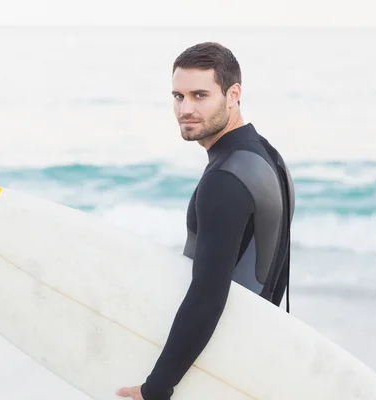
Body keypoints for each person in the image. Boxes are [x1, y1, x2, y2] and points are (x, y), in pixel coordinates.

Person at [116, 42, 295, 400]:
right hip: (250, 355)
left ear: (234, 94)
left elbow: (208, 294)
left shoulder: (226, 178)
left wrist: (157, 386)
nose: (186, 109)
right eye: (178, 96)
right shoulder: (266, 156)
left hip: (213, 365)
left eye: (200, 95)